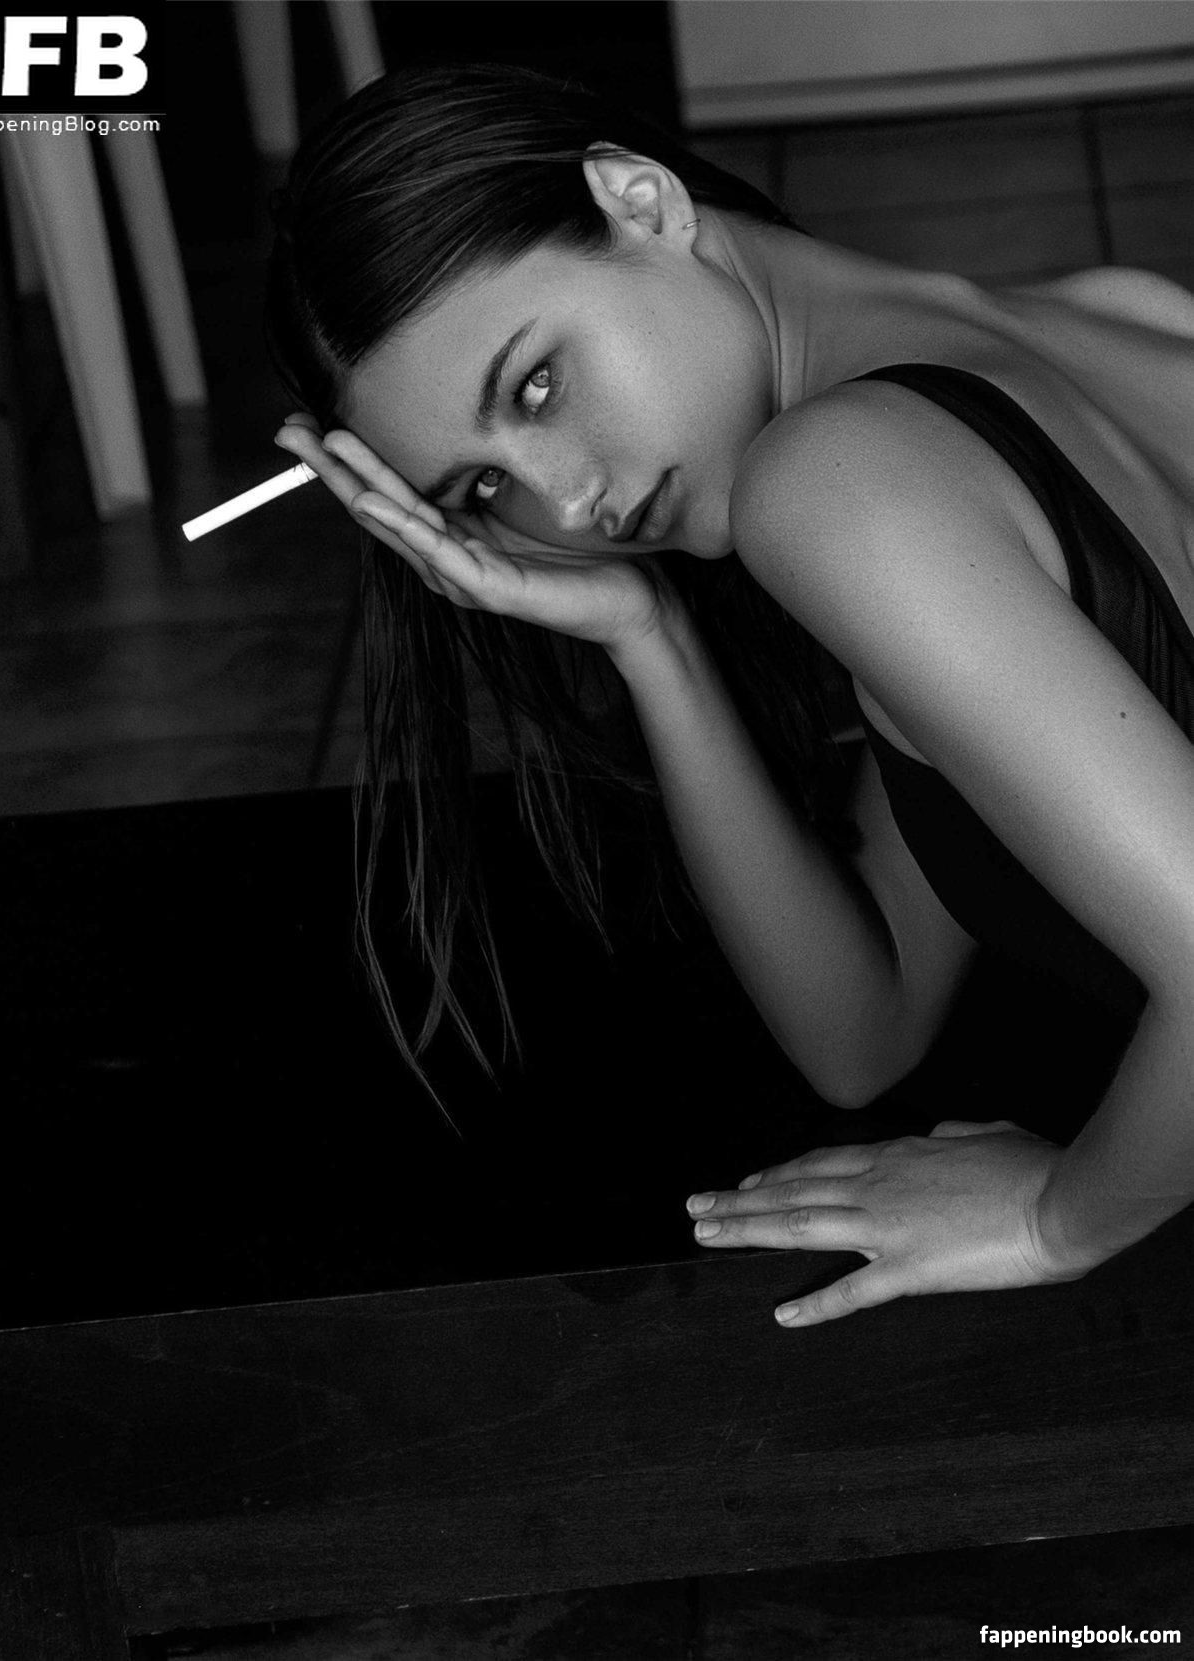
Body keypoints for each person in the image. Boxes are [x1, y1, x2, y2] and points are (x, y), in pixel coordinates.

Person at [266, 62, 1194, 1328]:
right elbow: (863, 1029)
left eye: (536, 385)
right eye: (482, 489)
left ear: (638, 200)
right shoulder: (1123, 312)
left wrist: (1055, 1219)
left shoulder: (836, 482)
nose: (567, 501)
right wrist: (647, 635)